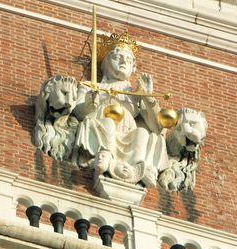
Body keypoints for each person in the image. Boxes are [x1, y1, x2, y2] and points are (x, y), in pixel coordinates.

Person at [72, 36, 169, 187]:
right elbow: (77, 112)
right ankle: (106, 154)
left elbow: (158, 126)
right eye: (118, 57)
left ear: (133, 67)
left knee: (142, 133)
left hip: (128, 130)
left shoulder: (136, 94)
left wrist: (148, 97)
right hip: (102, 124)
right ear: (104, 63)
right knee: (109, 123)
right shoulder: (90, 86)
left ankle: (137, 168)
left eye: (129, 60)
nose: (124, 62)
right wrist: (90, 103)